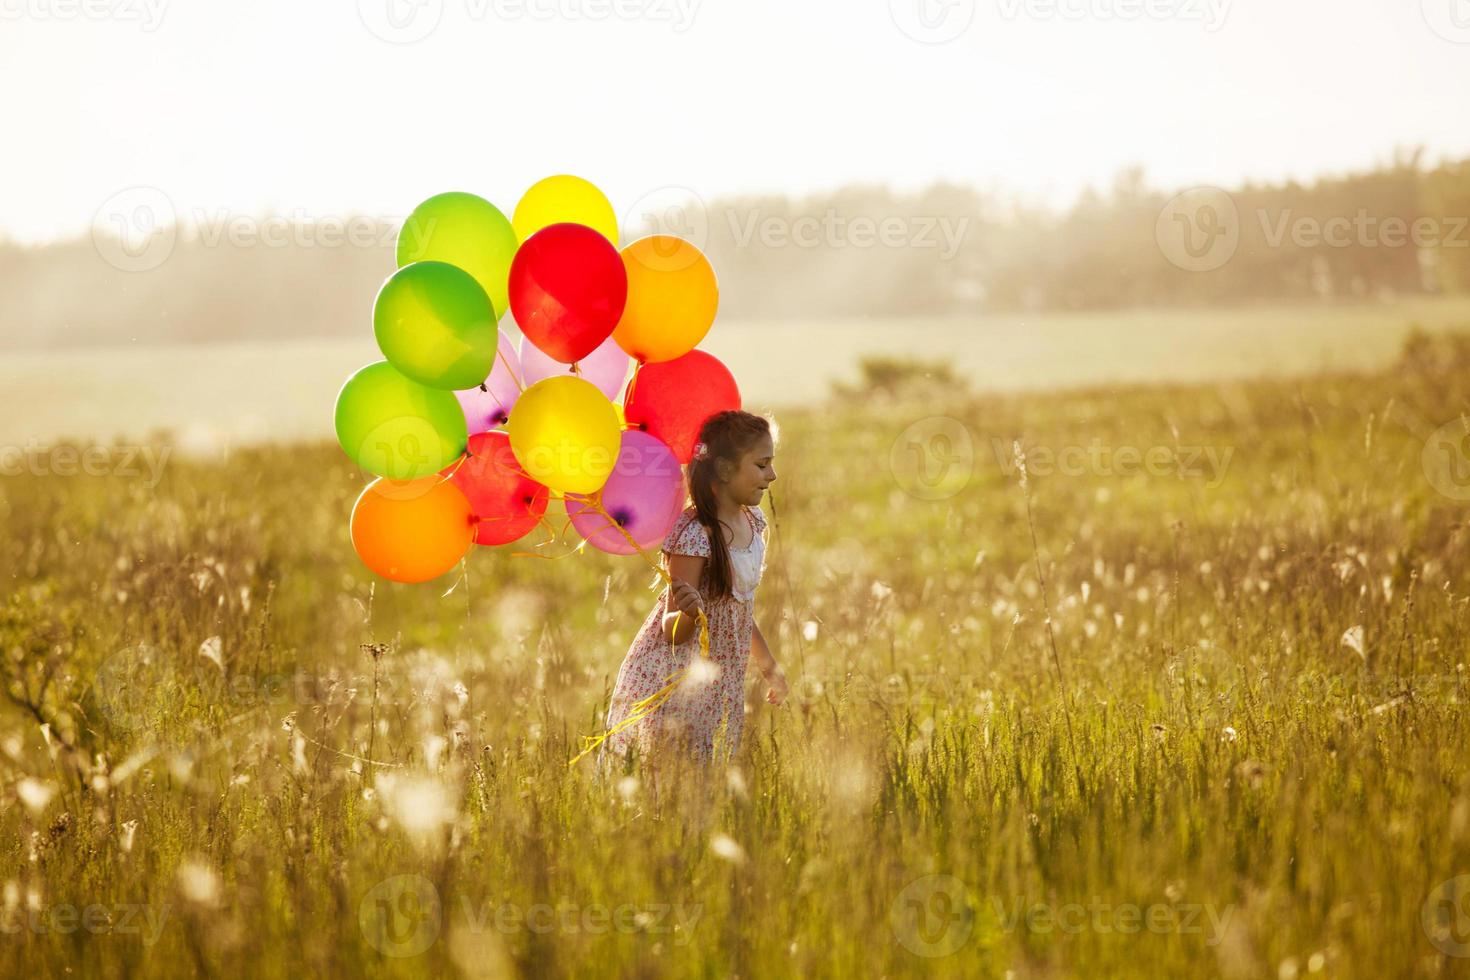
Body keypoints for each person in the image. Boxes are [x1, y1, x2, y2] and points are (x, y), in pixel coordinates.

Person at [597, 409, 788, 781]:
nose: (772, 475)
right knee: (674, 780)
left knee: (709, 781)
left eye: (771, 464)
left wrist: (770, 668)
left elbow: (739, 611)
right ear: (724, 470)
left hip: (722, 679)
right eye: (762, 465)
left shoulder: (753, 523)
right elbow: (673, 633)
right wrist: (688, 612)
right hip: (679, 680)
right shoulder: (695, 534)